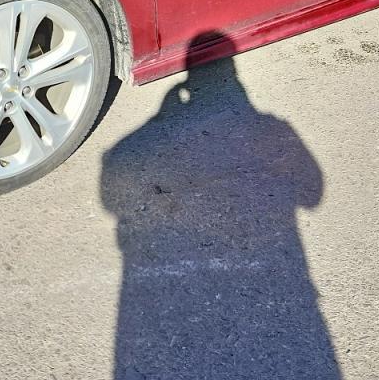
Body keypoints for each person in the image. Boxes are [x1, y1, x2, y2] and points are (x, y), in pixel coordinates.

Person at [101, 37, 343, 379]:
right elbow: (313, 194)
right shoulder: (272, 128)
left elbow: (111, 189)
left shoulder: (124, 152)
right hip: (282, 287)